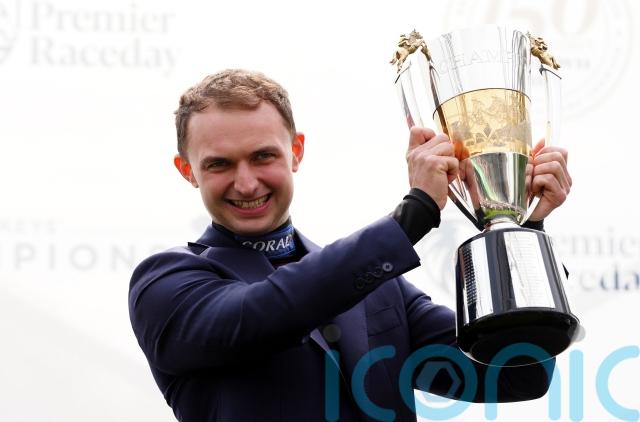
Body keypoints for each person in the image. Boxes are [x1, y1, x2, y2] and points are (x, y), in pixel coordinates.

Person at [129, 69, 572, 421]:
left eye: (263, 156)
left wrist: (517, 228)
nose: (246, 183)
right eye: (220, 164)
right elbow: (265, 312)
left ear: (296, 151)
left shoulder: (379, 286)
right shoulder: (165, 284)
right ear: (187, 171)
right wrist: (412, 216)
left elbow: (519, 371)